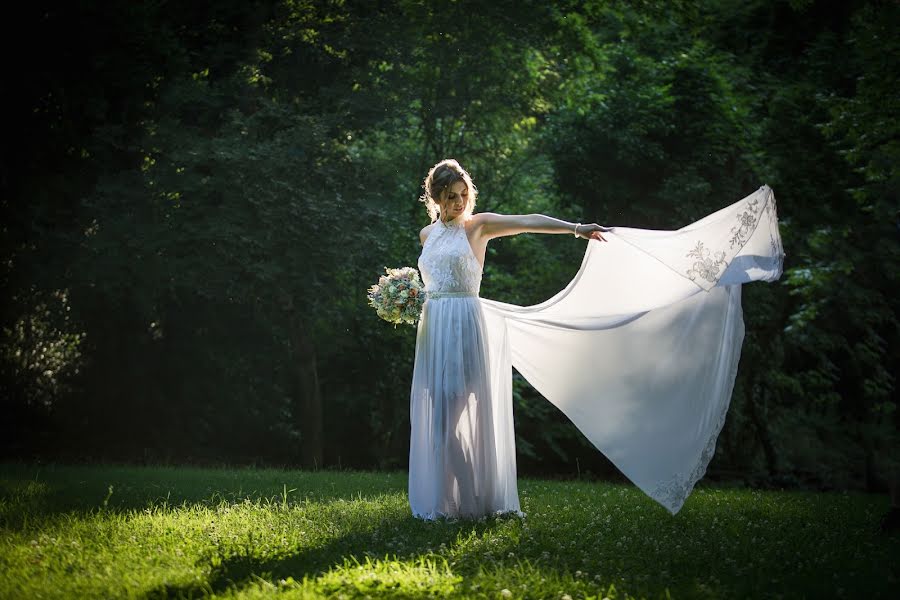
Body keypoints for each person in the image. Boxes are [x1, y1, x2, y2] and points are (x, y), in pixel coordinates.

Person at [408, 158, 784, 520]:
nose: (459, 202)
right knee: (441, 418)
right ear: (436, 198)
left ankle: (470, 503)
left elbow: (527, 222)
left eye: (462, 194)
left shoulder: (478, 226)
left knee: (448, 417)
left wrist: (575, 228)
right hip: (435, 327)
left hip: (464, 325)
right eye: (451, 196)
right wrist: (409, 298)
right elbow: (433, 281)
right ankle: (455, 503)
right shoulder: (428, 235)